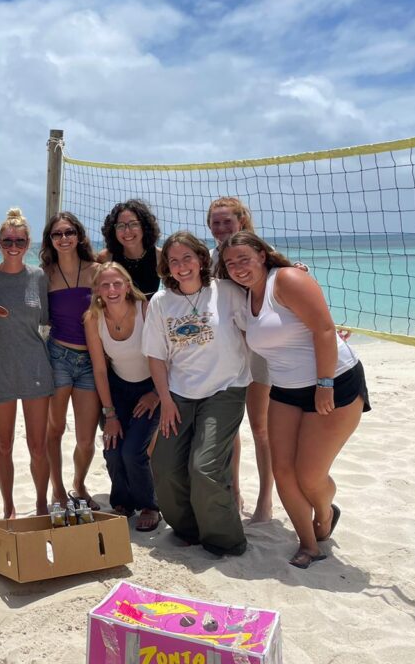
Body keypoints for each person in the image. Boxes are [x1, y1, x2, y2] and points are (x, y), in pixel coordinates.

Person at [219, 231, 369, 568]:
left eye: (244, 258)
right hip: (285, 389)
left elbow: (325, 329)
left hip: (335, 382)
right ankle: (309, 543)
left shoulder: (286, 279)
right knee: (283, 470)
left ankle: (326, 511)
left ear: (262, 255)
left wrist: (325, 384)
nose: (238, 267)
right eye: (230, 263)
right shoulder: (245, 297)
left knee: (309, 476)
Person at [142, 231, 249, 557]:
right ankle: (189, 530)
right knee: (164, 464)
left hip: (225, 389)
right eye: (174, 261)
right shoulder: (160, 302)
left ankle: (225, 540)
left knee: (204, 467)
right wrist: (166, 400)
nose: (181, 266)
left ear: (202, 259)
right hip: (180, 394)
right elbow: (156, 357)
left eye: (187, 258)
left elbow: (261, 312)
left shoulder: (227, 291)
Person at [0, 207, 52, 518]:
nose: (13, 245)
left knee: (38, 445)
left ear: (28, 243)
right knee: (4, 443)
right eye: (8, 240)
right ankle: (8, 507)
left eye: (20, 241)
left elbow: (47, 325)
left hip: (34, 367)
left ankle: (40, 504)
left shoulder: (38, 277)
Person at [206, 197, 274, 523]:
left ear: (242, 222)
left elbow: (290, 284)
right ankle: (233, 493)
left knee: (261, 428)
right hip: (228, 351)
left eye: (227, 222)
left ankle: (265, 501)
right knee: (230, 429)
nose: (221, 228)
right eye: (215, 223)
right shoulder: (208, 258)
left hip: (260, 349)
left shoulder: (262, 252)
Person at [83, 262, 161, 531]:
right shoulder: (93, 317)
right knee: (113, 449)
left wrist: (155, 394)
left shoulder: (145, 309)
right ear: (97, 290)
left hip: (151, 387)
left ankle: (149, 505)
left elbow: (167, 356)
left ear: (127, 286)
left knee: (133, 451)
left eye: (117, 283)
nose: (112, 289)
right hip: (117, 390)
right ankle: (123, 501)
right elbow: (100, 369)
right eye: (105, 284)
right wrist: (110, 413)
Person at [41, 212, 101, 509]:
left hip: (91, 360)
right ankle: (58, 489)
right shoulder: (43, 275)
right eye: (57, 234)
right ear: (50, 240)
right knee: (55, 429)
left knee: (86, 439)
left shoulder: (97, 271)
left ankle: (78, 483)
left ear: (79, 235)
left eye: (68, 233)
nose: (63, 239)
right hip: (57, 357)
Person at [97, 200, 163, 299]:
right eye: (121, 226)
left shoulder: (160, 257)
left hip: (150, 314)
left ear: (144, 227)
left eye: (133, 224)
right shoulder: (106, 258)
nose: (127, 231)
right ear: (113, 230)